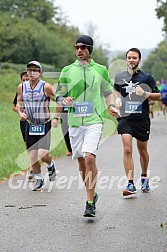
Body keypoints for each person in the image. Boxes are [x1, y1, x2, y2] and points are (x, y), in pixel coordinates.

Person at [55, 35, 117, 217]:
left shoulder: (100, 70)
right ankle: (92, 193)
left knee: (90, 157)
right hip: (74, 122)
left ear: (90, 50)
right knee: (82, 160)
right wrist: (63, 99)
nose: (79, 50)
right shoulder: (67, 70)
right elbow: (59, 94)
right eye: (77, 47)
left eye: (83, 47)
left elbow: (107, 92)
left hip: (94, 120)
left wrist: (111, 106)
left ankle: (90, 202)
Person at [113, 48, 161, 196]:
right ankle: (130, 183)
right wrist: (117, 100)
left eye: (134, 58)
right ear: (126, 59)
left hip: (142, 119)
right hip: (125, 118)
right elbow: (115, 90)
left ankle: (144, 176)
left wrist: (145, 94)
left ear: (139, 60)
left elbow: (158, 96)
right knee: (127, 149)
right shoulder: (120, 77)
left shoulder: (146, 77)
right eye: (129, 57)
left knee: (142, 150)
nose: (131, 60)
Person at [17, 61, 57, 191]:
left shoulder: (46, 87)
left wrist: (56, 117)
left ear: (40, 73)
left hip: (44, 124)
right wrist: (20, 113)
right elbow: (19, 103)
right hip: (30, 124)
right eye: (30, 70)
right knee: (32, 155)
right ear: (27, 72)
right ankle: (39, 179)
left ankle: (51, 165)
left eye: (35, 70)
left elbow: (59, 100)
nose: (32, 72)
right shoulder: (22, 87)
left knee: (43, 154)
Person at [13, 71, 35, 181]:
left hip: (36, 120)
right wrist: (20, 112)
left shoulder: (38, 90)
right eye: (23, 80)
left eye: (27, 79)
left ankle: (33, 168)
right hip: (24, 121)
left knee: (36, 145)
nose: (25, 82)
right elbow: (14, 106)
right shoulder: (20, 91)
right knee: (28, 144)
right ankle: (32, 167)